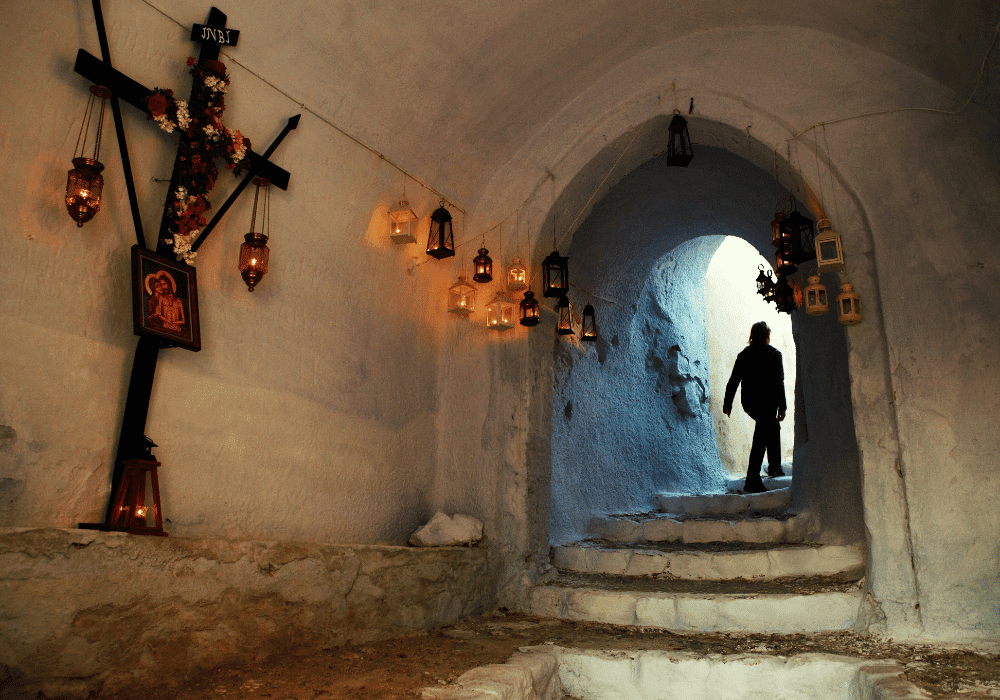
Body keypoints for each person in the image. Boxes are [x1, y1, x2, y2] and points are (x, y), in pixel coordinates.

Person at [722, 321, 786, 493]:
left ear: (751, 337)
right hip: (769, 402)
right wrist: (783, 407)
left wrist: (727, 404)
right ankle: (752, 480)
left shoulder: (744, 354)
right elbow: (779, 382)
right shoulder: (774, 354)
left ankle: (774, 466)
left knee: (771, 426)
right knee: (761, 437)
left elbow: (733, 381)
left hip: (750, 403)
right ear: (767, 336)